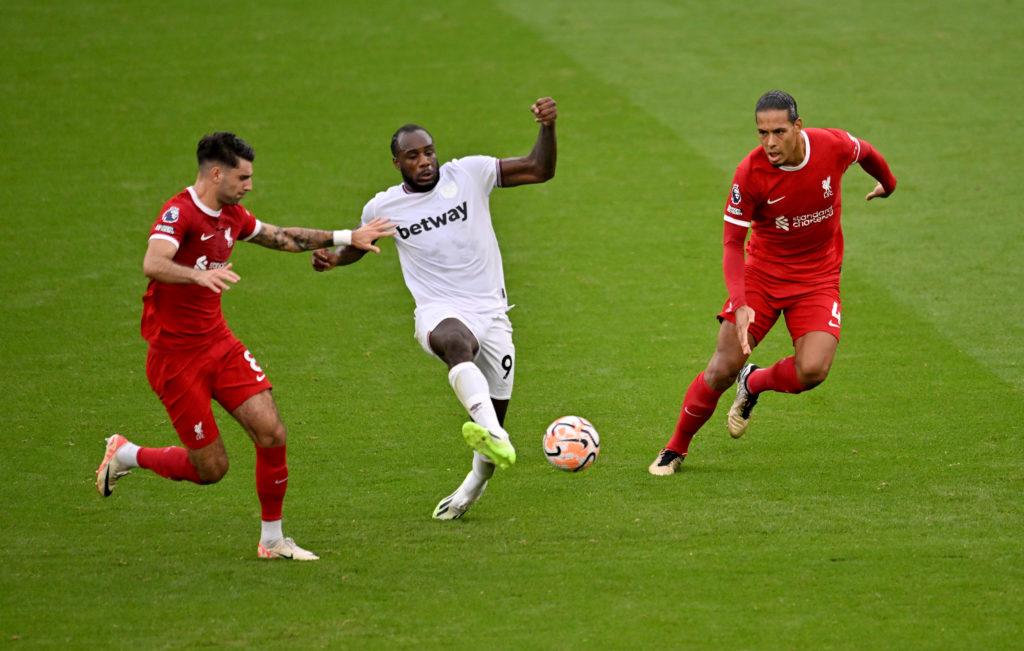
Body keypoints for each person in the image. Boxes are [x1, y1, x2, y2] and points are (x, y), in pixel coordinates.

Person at [95, 132, 395, 559]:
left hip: (219, 344)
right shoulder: (179, 213)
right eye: (243, 177)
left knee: (272, 432)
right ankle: (127, 454)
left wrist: (347, 235)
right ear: (216, 173)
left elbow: (281, 236)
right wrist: (195, 275)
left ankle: (272, 540)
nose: (249, 185)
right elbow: (153, 261)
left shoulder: (231, 214)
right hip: (176, 361)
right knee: (211, 469)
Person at [312, 97, 557, 519]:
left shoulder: (469, 174)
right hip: (439, 307)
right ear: (397, 163)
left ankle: (472, 487)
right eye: (413, 156)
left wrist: (548, 128)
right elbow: (361, 241)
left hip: (492, 313)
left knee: (493, 425)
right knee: (455, 342)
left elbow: (540, 169)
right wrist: (335, 258)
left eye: (428, 152)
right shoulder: (384, 206)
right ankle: (494, 432)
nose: (425, 161)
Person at [649, 90, 897, 476]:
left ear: (798, 126)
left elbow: (865, 151)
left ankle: (756, 382)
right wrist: (741, 301)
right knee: (722, 367)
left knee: (813, 369)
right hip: (762, 276)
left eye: (778, 131)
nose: (769, 142)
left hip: (818, 278)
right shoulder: (750, 173)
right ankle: (675, 448)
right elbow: (732, 242)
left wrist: (889, 183)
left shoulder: (830, 145)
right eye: (762, 132)